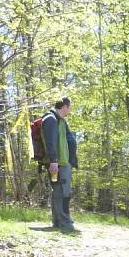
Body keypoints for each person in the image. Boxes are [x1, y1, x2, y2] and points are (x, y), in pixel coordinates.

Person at [42, 97, 78, 231]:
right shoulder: (51, 119)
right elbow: (50, 142)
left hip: (63, 162)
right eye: (70, 107)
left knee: (60, 191)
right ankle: (65, 222)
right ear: (64, 106)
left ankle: (59, 222)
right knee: (62, 192)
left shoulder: (60, 120)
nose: (70, 109)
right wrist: (53, 161)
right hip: (58, 163)